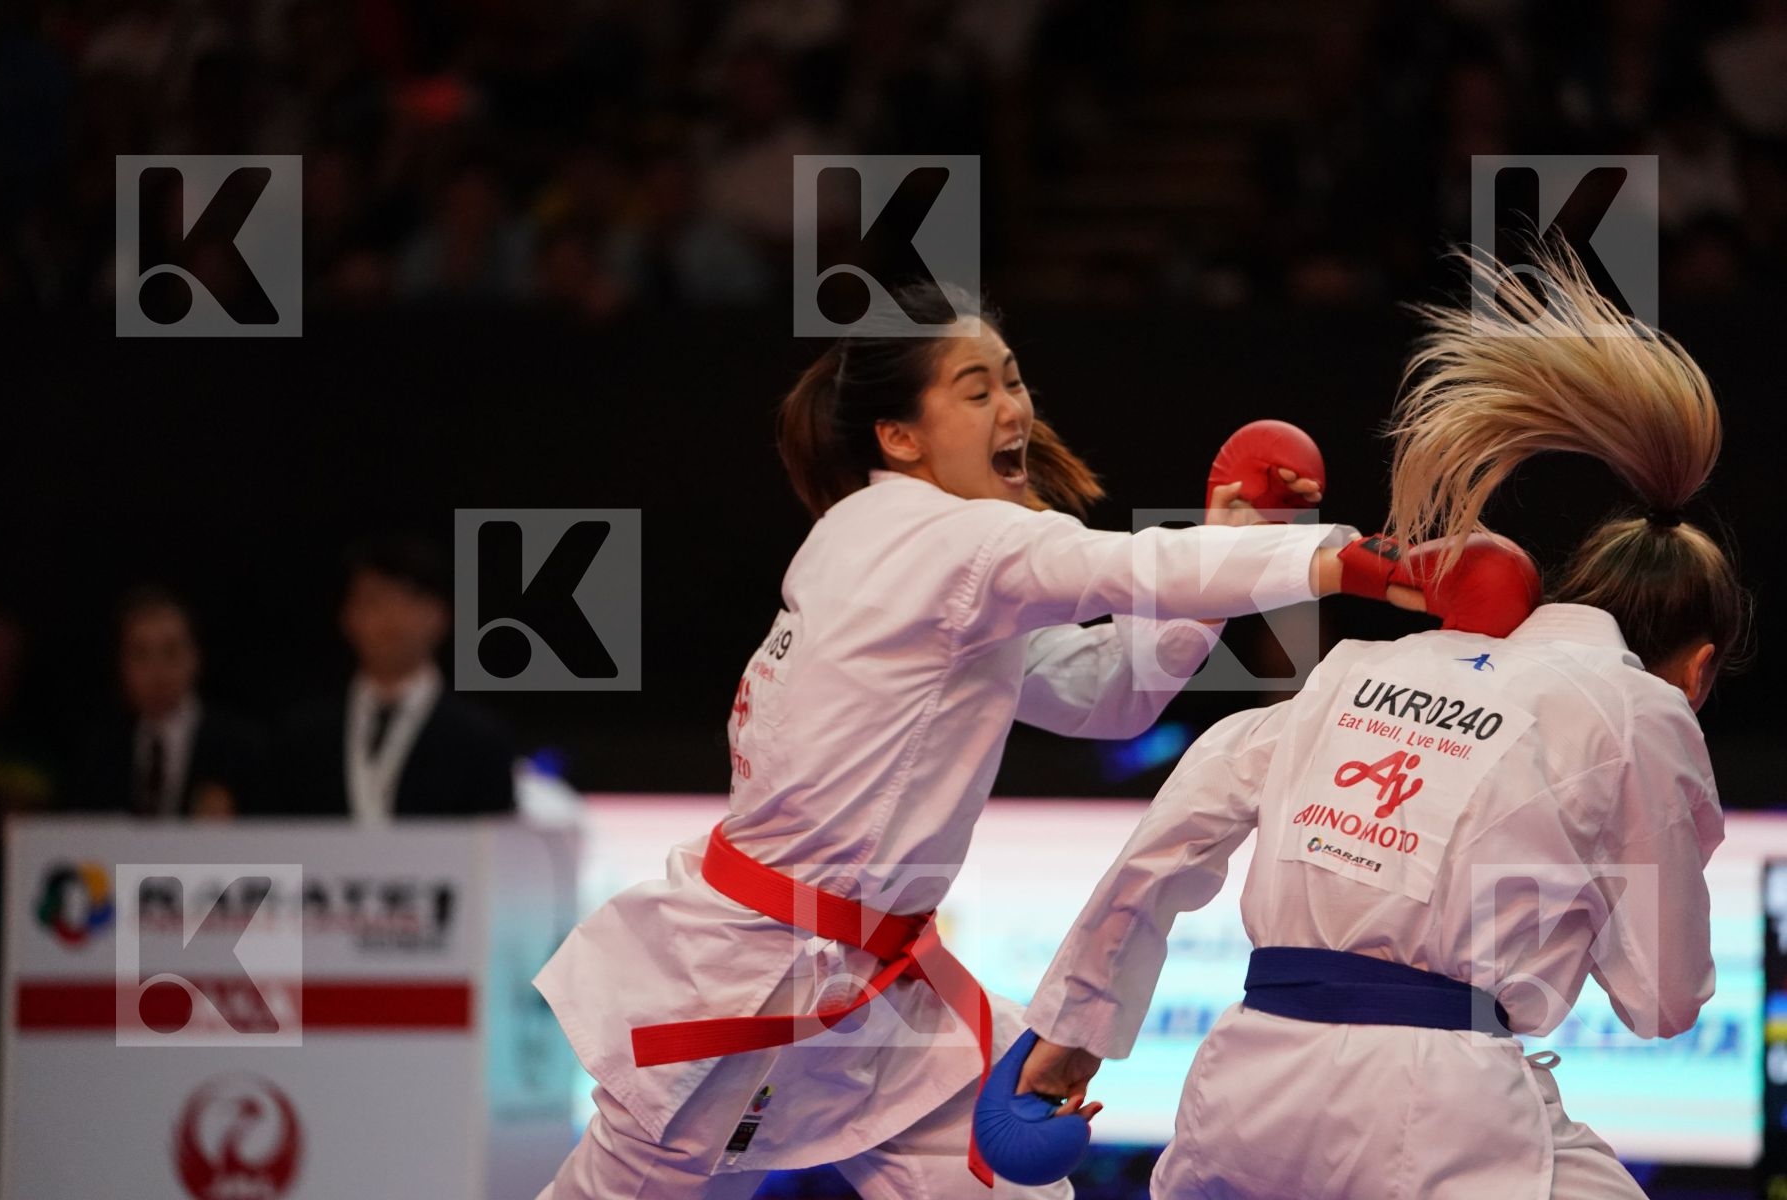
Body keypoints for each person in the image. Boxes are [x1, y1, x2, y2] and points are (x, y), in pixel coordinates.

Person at [532, 281, 1405, 1200]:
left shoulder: (912, 553)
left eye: (1014, 380)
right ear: (899, 437)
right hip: (751, 970)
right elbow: (1123, 564)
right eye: (976, 389)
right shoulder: (940, 538)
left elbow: (1105, 695)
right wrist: (1350, 561)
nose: (1014, 407)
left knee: (1004, 1185)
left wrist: (1235, 551)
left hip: (877, 986)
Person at [1017, 244, 1743, 1199]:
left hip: (1245, 1088)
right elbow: (1660, 1003)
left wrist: (1073, 1027)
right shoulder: (1640, 713)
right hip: (1436, 1110)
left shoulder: (1354, 668)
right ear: (1697, 669)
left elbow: (1174, 831)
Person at [269, 536, 515, 820]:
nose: (392, 618)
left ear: (442, 616)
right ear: (348, 617)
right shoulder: (302, 737)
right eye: (375, 601)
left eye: (410, 601)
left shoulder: (480, 738)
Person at [71, 585, 263, 818]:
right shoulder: (101, 750)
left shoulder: (238, 747)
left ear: (195, 657)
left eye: (171, 651)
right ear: (121, 663)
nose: (157, 672)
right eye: (140, 654)